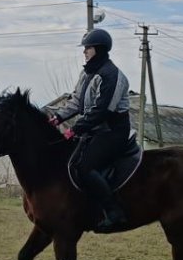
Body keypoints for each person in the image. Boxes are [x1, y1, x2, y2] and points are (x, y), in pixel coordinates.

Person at [49, 28, 131, 232]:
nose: (84, 52)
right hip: (94, 131)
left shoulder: (113, 76)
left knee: (84, 167)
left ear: (99, 49)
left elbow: (102, 110)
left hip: (113, 133)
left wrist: (75, 129)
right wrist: (58, 118)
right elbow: (76, 101)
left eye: (88, 48)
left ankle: (114, 212)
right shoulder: (87, 74)